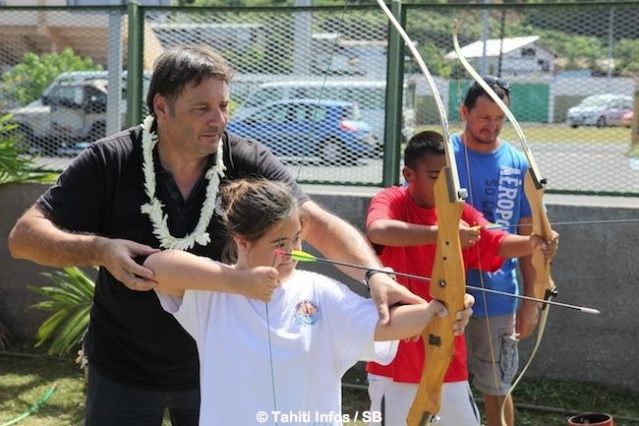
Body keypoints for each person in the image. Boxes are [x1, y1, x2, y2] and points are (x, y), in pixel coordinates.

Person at [6, 46, 423, 426]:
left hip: (217, 371)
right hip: (124, 365)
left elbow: (313, 221)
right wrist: (100, 248)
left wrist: (375, 275)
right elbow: (24, 237)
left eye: (223, 106)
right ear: (162, 107)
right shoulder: (110, 160)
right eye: (202, 108)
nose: (218, 120)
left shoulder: (245, 158)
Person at [144, 178, 476, 426]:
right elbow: (156, 267)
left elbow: (384, 324)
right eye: (280, 243)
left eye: (297, 239)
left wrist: (439, 311)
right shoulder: (213, 292)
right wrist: (238, 282)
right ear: (242, 242)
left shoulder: (319, 291)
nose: (292, 252)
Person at [365, 130, 557, 426]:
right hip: (396, 355)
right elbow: (378, 231)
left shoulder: (458, 211)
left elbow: (495, 240)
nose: (445, 186)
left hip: (447, 353)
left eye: (450, 177)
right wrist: (443, 233)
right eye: (434, 176)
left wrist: (534, 243)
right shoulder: (391, 199)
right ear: (409, 174)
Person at [452, 76, 558, 426]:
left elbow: (531, 242)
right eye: (484, 117)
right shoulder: (442, 157)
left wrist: (531, 302)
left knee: (497, 388)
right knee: (438, 383)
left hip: (498, 297)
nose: (492, 126)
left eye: (500, 118)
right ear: (464, 112)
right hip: (443, 290)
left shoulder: (518, 163)